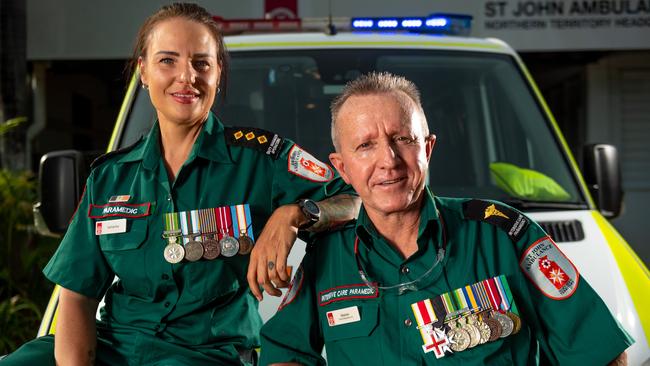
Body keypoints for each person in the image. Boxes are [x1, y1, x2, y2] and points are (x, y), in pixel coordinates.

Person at [1, 3, 359, 365]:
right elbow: (77, 296)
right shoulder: (110, 177)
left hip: (203, 354)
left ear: (218, 74)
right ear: (143, 70)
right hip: (113, 347)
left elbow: (355, 200)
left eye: (201, 63)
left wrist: (295, 213)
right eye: (167, 60)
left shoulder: (262, 160)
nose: (186, 76)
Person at [259, 72, 633, 365]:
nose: (388, 160)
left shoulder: (503, 236)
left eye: (402, 139)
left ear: (428, 147)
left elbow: (599, 351)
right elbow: (284, 353)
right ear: (342, 168)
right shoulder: (329, 255)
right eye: (365, 146)